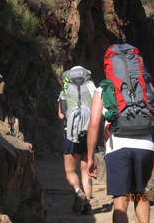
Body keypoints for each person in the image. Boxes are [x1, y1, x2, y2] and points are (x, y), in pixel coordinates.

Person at [87, 45, 154, 223]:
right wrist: (144, 126)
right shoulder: (147, 87)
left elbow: (94, 125)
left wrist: (91, 157)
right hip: (146, 146)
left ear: (108, 66)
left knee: (120, 200)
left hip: (118, 147)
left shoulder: (103, 90)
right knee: (140, 194)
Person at [58, 65, 96, 215]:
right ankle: (87, 204)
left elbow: (61, 115)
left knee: (70, 170)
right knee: (86, 170)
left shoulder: (65, 90)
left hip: (71, 135)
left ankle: (78, 191)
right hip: (89, 134)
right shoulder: (93, 88)